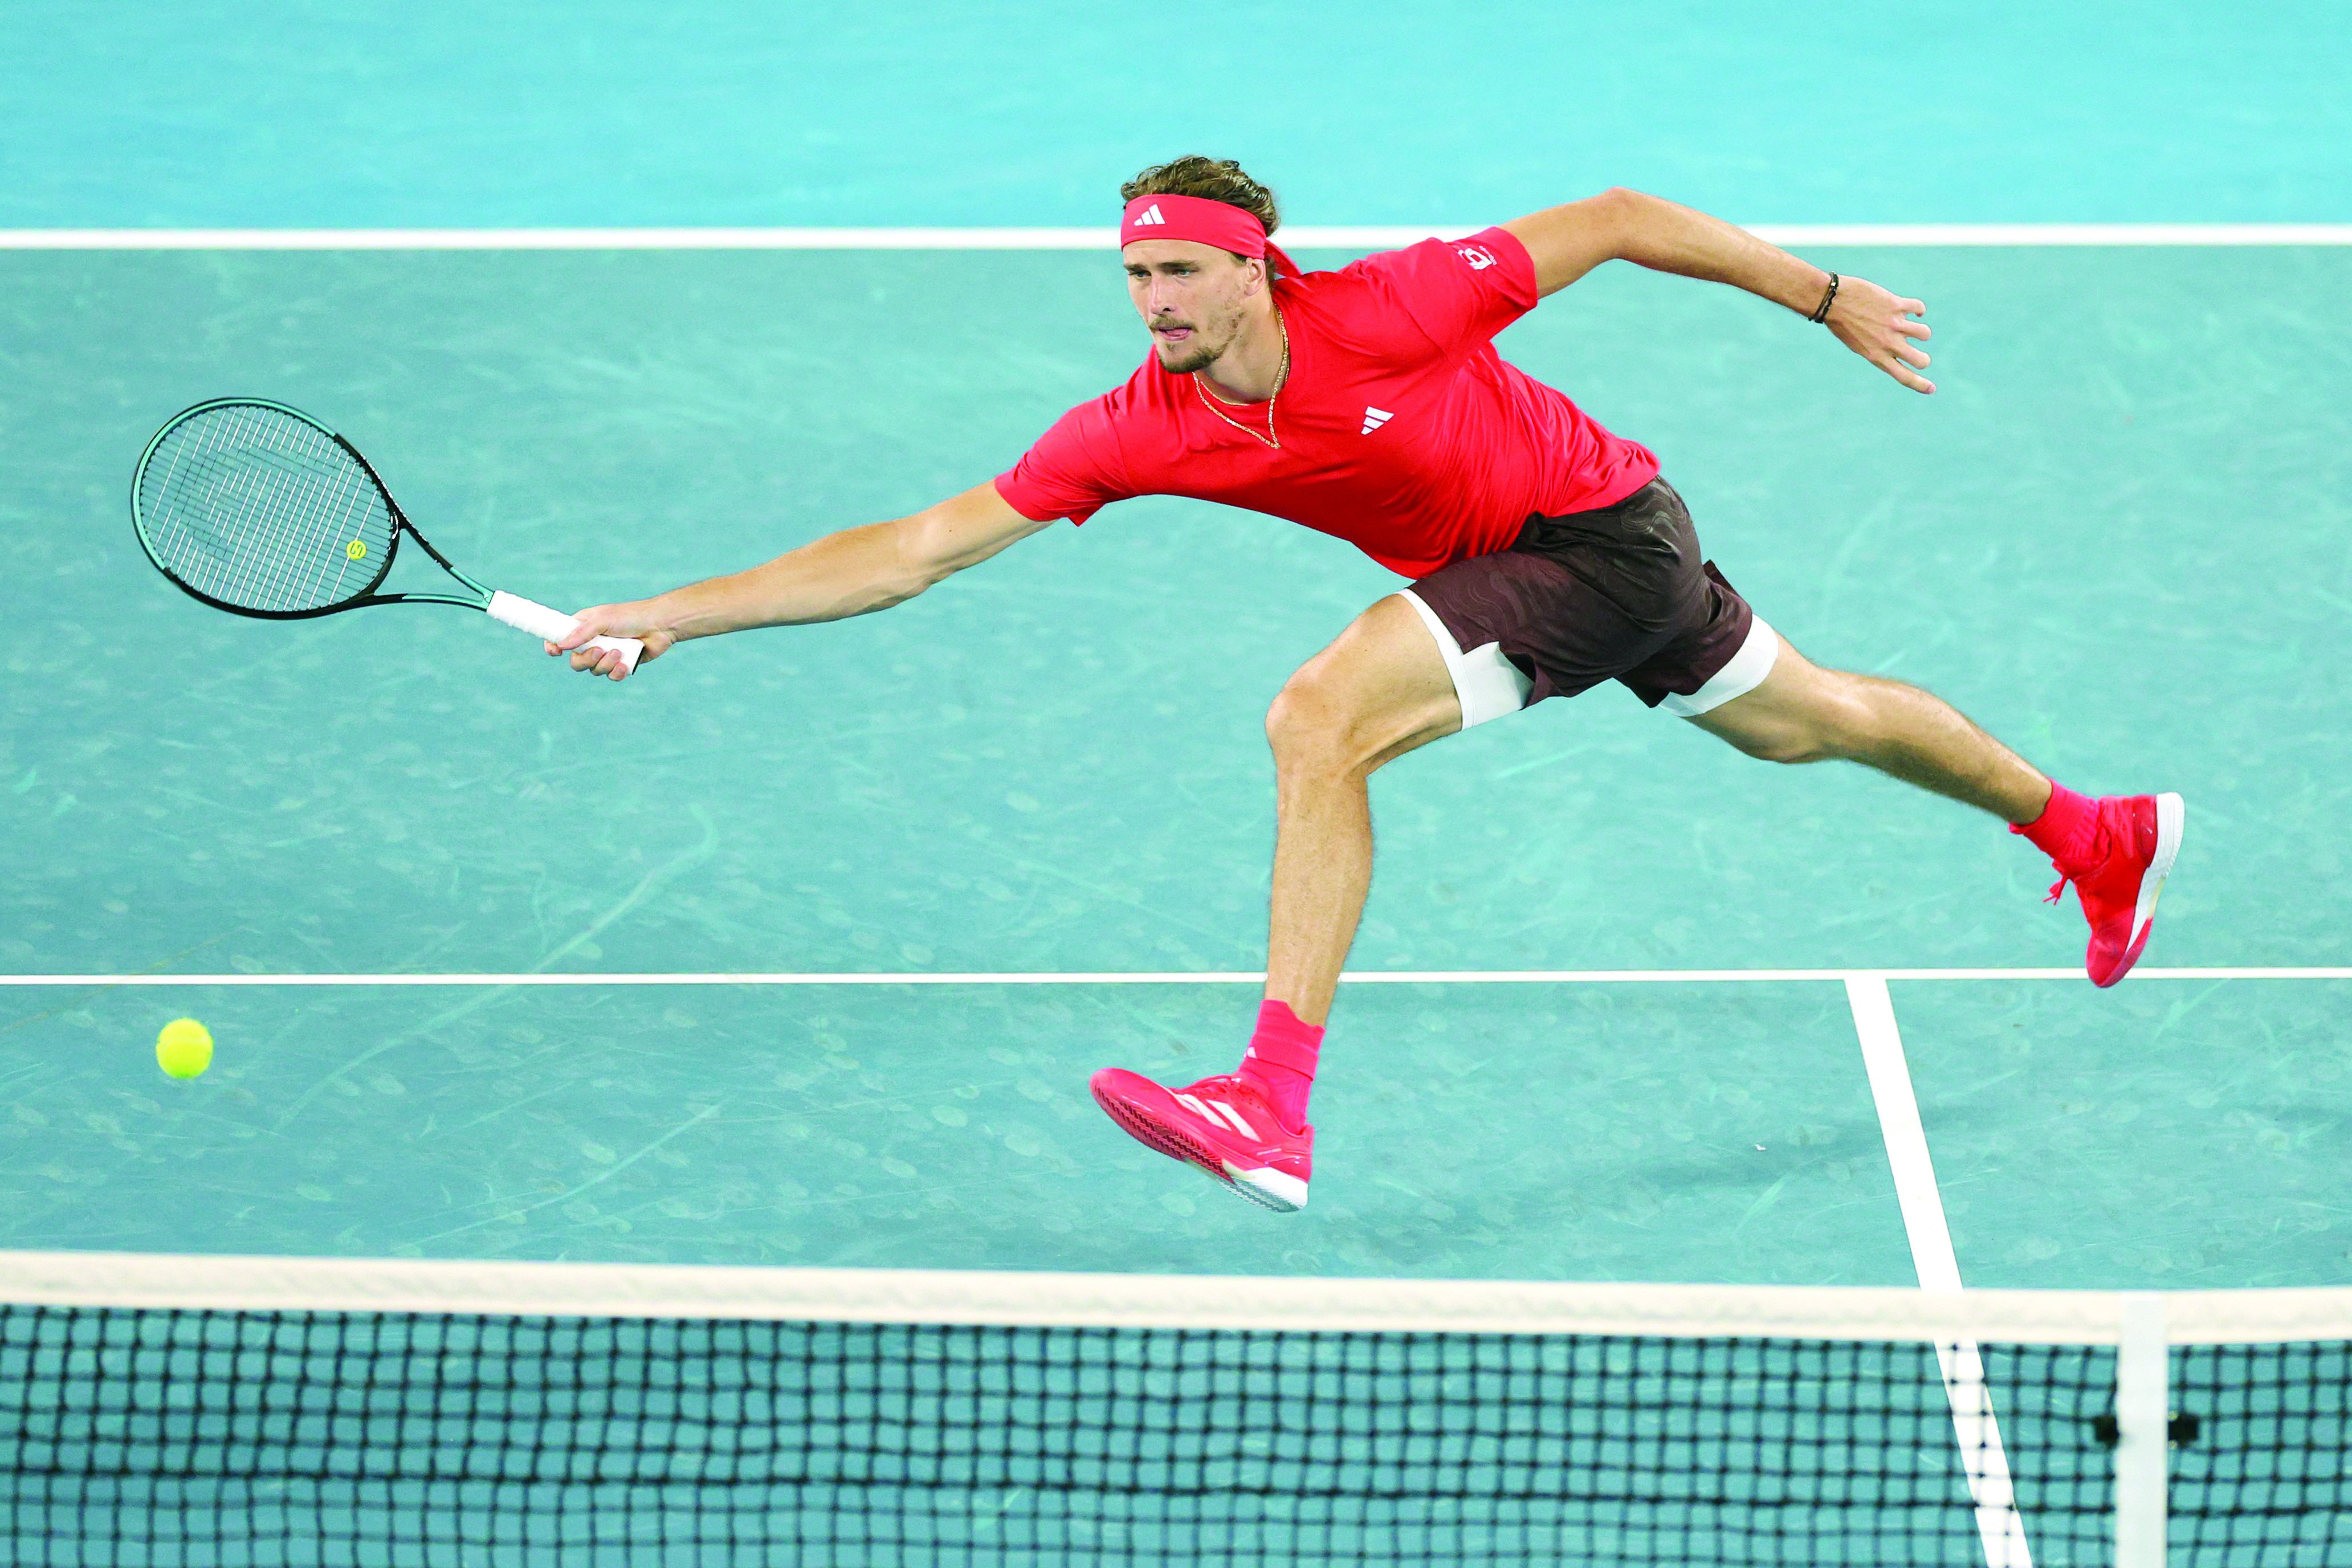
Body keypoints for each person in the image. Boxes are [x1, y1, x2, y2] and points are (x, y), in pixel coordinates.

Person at [551, 156, 2184, 1214]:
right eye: (1135, 281)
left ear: (1258, 268)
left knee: (1316, 717)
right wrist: (673, 615)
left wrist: (1821, 296)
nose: (1156, 305)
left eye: (1182, 275)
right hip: (1595, 562)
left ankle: (1271, 1103)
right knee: (1807, 723)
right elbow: (915, 545)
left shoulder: (1391, 306)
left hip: (1605, 536)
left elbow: (1613, 217)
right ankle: (2094, 830)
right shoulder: (1142, 424)